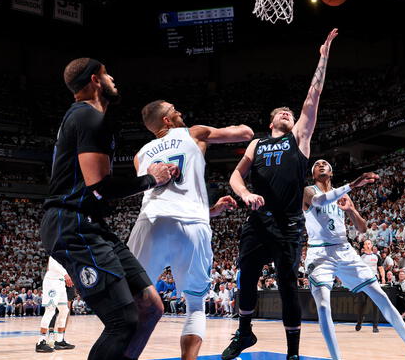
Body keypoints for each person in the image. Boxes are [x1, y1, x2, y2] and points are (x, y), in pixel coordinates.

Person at [39, 58, 174, 360]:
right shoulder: (89, 118)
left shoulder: (87, 118)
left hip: (91, 223)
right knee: (122, 320)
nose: (114, 78)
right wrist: (152, 178)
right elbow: (100, 186)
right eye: (107, 73)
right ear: (95, 80)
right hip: (71, 224)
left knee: (151, 306)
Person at [221, 29, 338, 360]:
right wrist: (244, 193)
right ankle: (244, 333)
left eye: (290, 111)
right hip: (257, 221)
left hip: (287, 224)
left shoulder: (299, 138)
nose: (288, 112)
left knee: (288, 288)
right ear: (271, 120)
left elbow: (312, 98)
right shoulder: (257, 143)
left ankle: (293, 353)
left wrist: (323, 56)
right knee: (246, 280)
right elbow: (235, 176)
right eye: (281, 112)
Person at [126, 98, 251, 360]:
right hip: (192, 225)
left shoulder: (140, 155)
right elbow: (245, 133)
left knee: (131, 303)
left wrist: (210, 210)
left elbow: (164, 195)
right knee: (195, 306)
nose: (180, 111)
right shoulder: (194, 133)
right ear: (166, 120)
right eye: (174, 110)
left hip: (150, 223)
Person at [302, 159, 405, 360]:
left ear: (332, 172)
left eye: (325, 163)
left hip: (344, 249)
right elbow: (320, 201)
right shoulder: (308, 191)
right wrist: (352, 185)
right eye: (317, 164)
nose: (321, 164)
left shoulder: (342, 196)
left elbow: (362, 228)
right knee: (324, 305)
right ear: (313, 174)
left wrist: (351, 211)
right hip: (319, 253)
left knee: (381, 296)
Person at [36, 257, 76, 353]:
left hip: (61, 282)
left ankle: (59, 340)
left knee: (64, 310)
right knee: (50, 310)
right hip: (52, 282)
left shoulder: (67, 250)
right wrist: (66, 275)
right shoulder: (55, 247)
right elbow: (54, 265)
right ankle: (40, 342)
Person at [355, 239, 383, 333]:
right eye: (366, 244)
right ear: (363, 247)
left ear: (371, 245)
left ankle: (375, 325)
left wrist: (383, 277)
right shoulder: (361, 257)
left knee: (376, 304)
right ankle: (359, 321)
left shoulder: (376, 256)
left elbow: (380, 267)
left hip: (374, 281)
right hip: (363, 282)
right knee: (361, 304)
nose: (367, 245)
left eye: (369, 243)